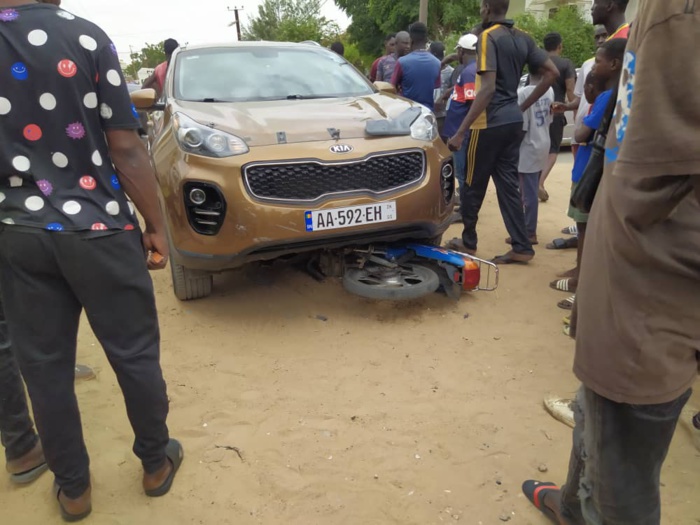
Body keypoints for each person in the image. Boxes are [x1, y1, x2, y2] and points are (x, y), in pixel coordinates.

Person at [0, 1, 183, 521]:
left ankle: (74, 490)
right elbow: (125, 148)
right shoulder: (85, 38)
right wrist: (155, 226)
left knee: (44, 369)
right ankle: (155, 464)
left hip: (17, 232)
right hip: (99, 229)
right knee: (134, 354)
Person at [523, 1, 700, 523]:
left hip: (649, 294)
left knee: (622, 478)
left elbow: (656, 178)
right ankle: (576, 504)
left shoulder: (678, 11)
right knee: (596, 414)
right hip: (627, 281)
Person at [445, 0, 559, 264]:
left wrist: (461, 131)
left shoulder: (487, 38)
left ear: (486, 8)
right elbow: (551, 72)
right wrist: (521, 106)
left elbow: (487, 88)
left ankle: (469, 242)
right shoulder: (524, 38)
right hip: (512, 122)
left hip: (487, 122)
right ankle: (521, 246)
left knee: (473, 184)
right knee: (508, 185)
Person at [554, 60, 620, 313]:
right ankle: (579, 278)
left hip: (591, 171)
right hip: (588, 168)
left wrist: (584, 125)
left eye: (600, 61)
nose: (593, 66)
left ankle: (582, 287)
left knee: (587, 231)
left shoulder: (606, 98)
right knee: (585, 230)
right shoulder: (607, 96)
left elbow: (581, 134)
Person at [537, 32, 576, 203]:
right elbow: (570, 90)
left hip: (536, 110)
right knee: (553, 150)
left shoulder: (536, 61)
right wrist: (574, 106)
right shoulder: (566, 64)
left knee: (536, 146)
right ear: (560, 46)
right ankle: (539, 182)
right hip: (556, 110)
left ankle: (531, 181)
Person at [516, 69, 554, 244]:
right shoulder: (549, 89)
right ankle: (525, 228)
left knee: (528, 192)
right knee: (527, 189)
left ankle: (529, 232)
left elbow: (522, 126)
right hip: (543, 140)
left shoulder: (523, 93)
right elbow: (550, 118)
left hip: (529, 144)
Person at [440, 34, 478, 191]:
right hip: (458, 130)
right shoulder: (470, 69)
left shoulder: (469, 72)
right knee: (461, 171)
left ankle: (465, 207)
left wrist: (460, 134)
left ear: (462, 51)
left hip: (461, 132)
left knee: (461, 172)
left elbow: (472, 103)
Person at [391, 22, 442, 110]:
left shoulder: (402, 62)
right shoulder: (437, 63)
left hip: (407, 113)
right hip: (427, 114)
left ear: (411, 40)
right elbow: (437, 91)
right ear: (426, 40)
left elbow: (391, 88)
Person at [429, 41, 454, 134]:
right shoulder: (429, 69)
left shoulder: (451, 72)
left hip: (443, 115)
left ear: (433, 54)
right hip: (430, 112)